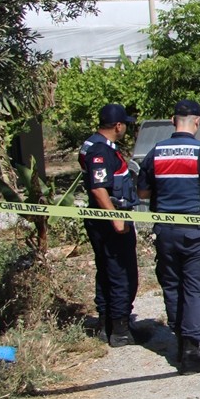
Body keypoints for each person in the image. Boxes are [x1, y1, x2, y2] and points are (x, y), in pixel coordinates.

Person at [137, 99, 200, 374]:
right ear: (198, 122)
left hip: (165, 231)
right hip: (196, 233)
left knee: (172, 285)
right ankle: (191, 352)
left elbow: (143, 193)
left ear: (172, 120)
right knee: (195, 288)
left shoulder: (155, 152)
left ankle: (181, 343)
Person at [79, 103, 141, 347]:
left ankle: (107, 325)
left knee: (107, 269)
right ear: (118, 126)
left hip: (104, 216)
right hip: (110, 217)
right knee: (122, 273)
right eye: (125, 124)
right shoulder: (100, 151)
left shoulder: (93, 144)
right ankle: (120, 330)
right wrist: (115, 217)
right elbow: (98, 188)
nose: (125, 127)